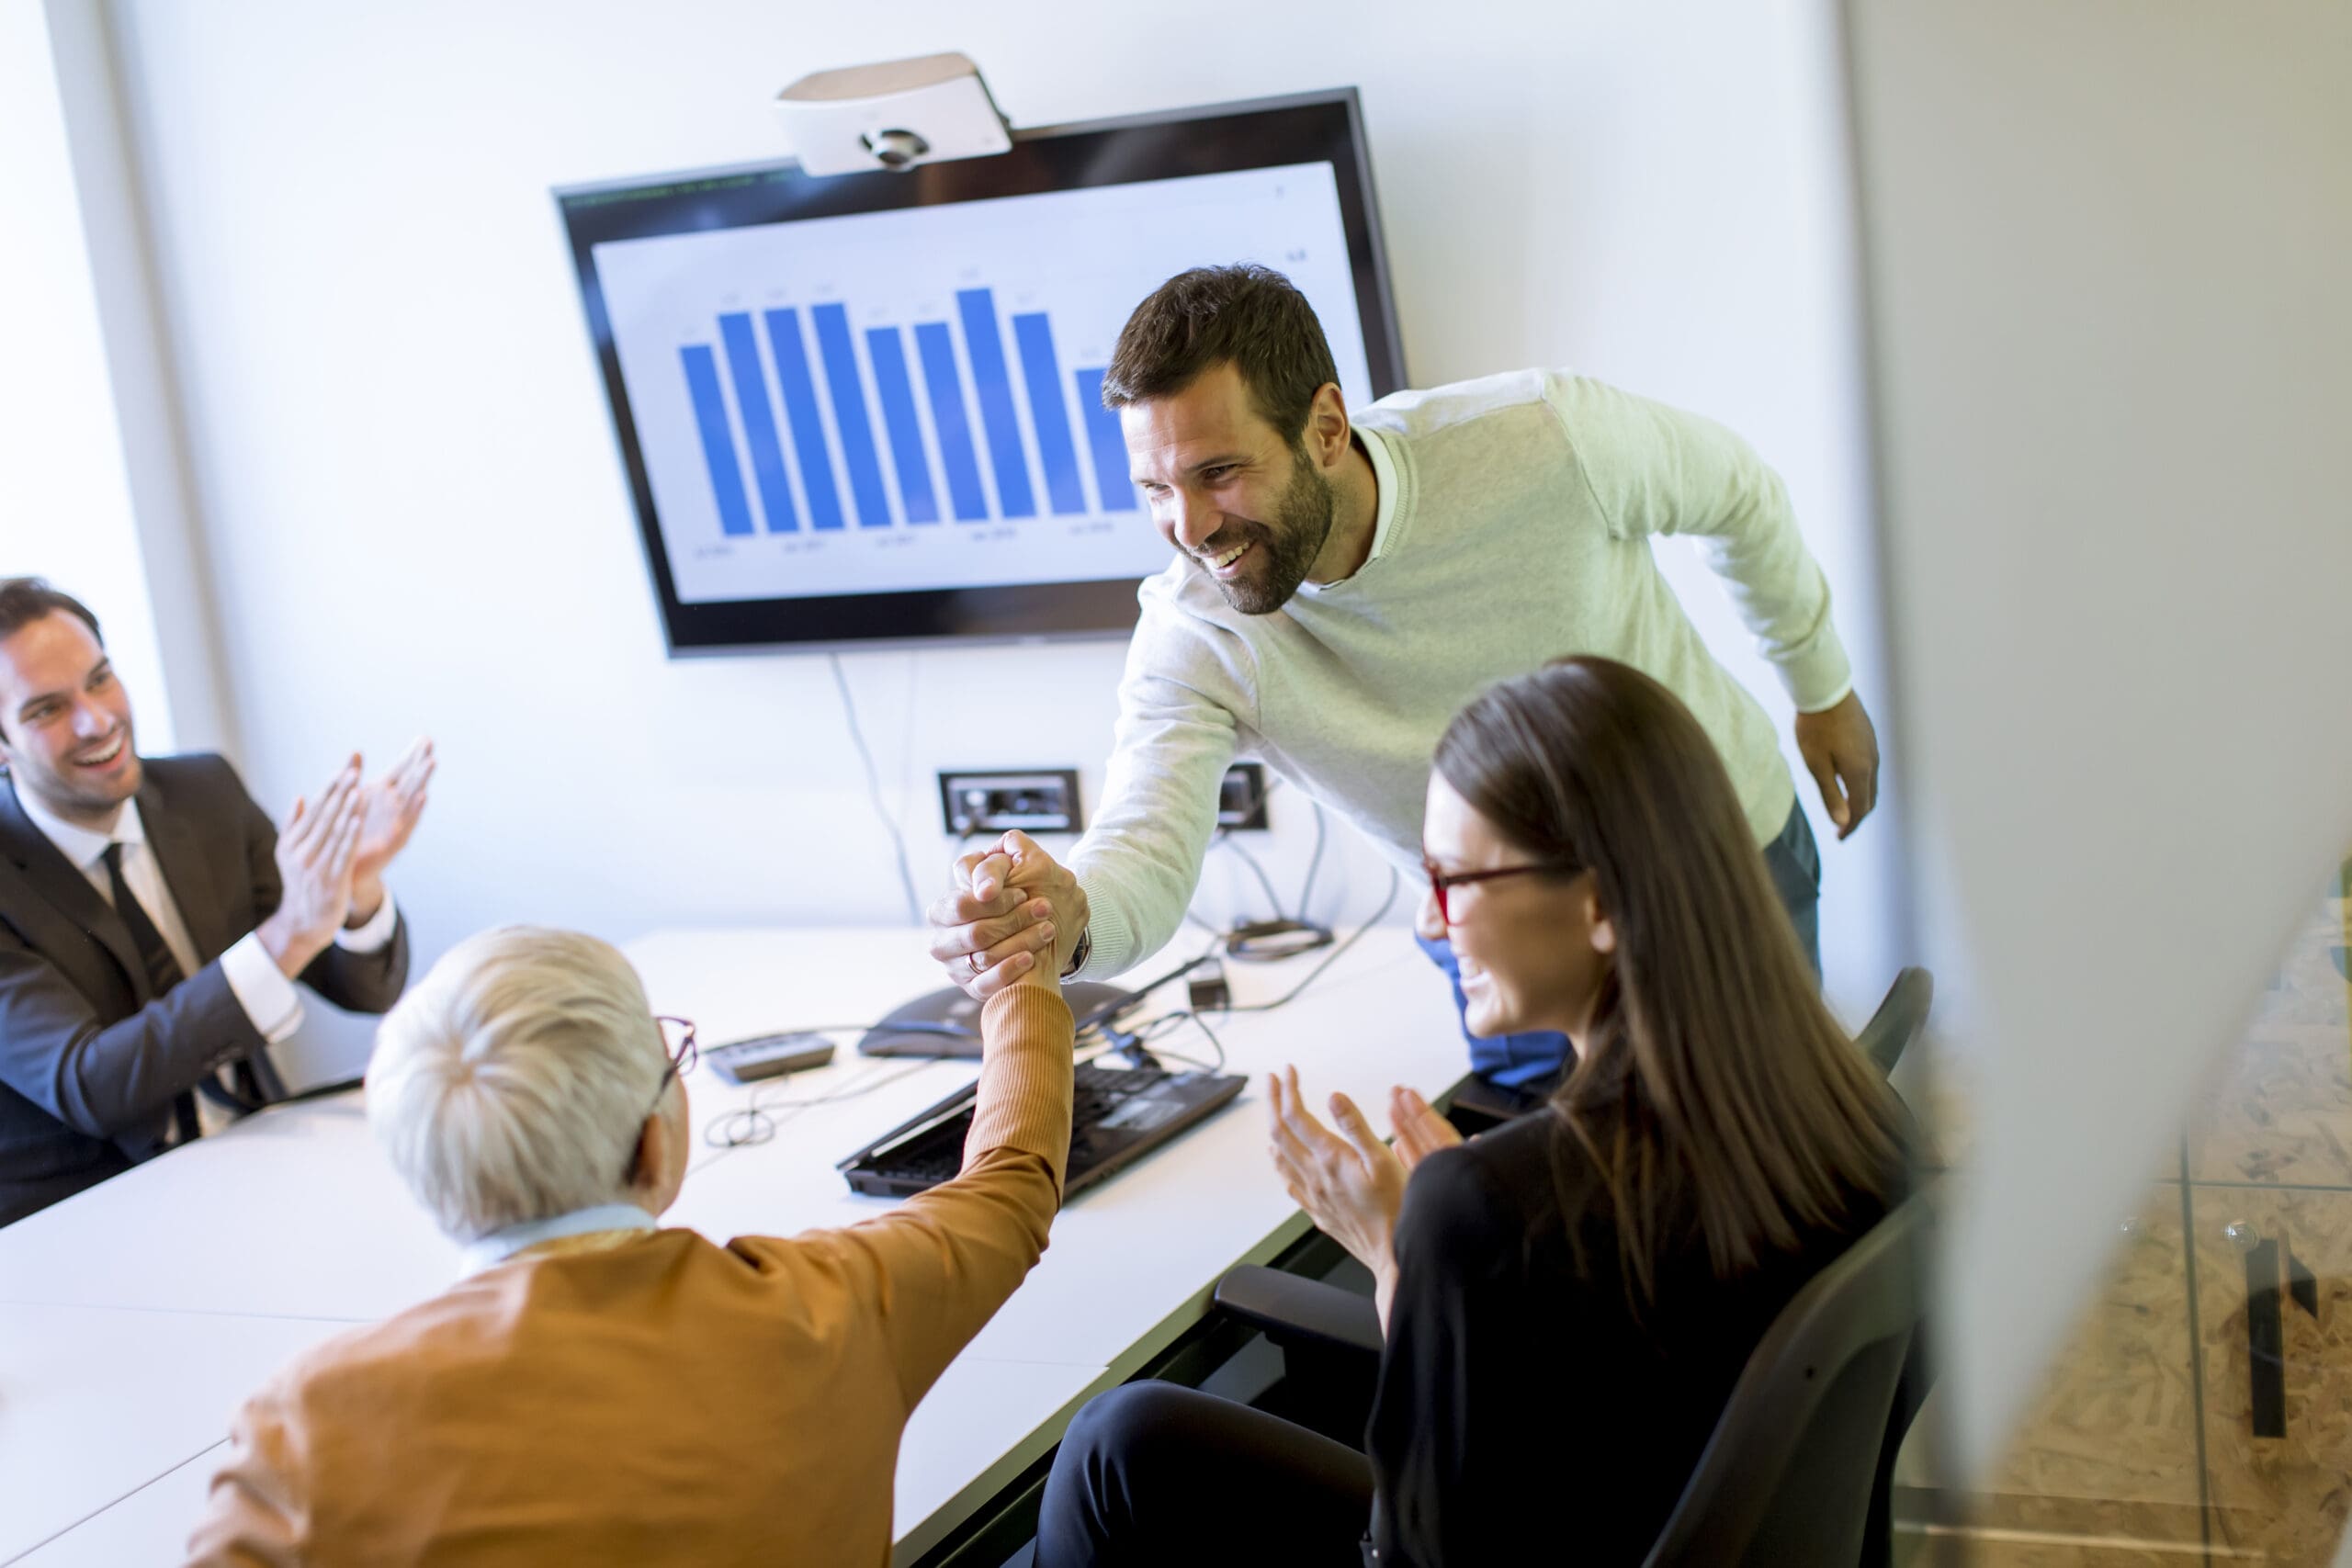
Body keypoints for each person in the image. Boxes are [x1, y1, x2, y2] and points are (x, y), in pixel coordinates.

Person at [1033, 658, 1911, 1567]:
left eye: (1452, 880)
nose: (1430, 921)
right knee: (1130, 1441)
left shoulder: (1491, 1208)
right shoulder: (1857, 1112)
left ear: (1598, 902)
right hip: (1628, 1512)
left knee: (1111, 1446)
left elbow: (1417, 1554)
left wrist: (1402, 1263)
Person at [930, 265, 1880, 1096]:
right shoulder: (1195, 634)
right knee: (1564, 1220)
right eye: (1154, 488)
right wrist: (1067, 918)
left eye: (1218, 472)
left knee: (1767, 1173)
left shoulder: (1543, 436)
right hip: (1500, 943)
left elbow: (1739, 492)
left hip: (1709, 862)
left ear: (1326, 428)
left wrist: (1822, 685)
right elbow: (1143, 848)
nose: (1189, 526)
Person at [183, 905, 1072, 1566]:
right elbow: (1010, 1188)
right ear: (653, 1143)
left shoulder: (309, 1430)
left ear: (426, 1174)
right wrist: (1019, 982)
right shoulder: (834, 1305)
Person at [0, 578, 429, 1225]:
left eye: (101, 679)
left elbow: (363, 989)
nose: (97, 720)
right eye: (46, 710)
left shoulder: (204, 791)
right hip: (90, 1217)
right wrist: (288, 936)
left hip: (259, 1159)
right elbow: (90, 1084)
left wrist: (355, 892)